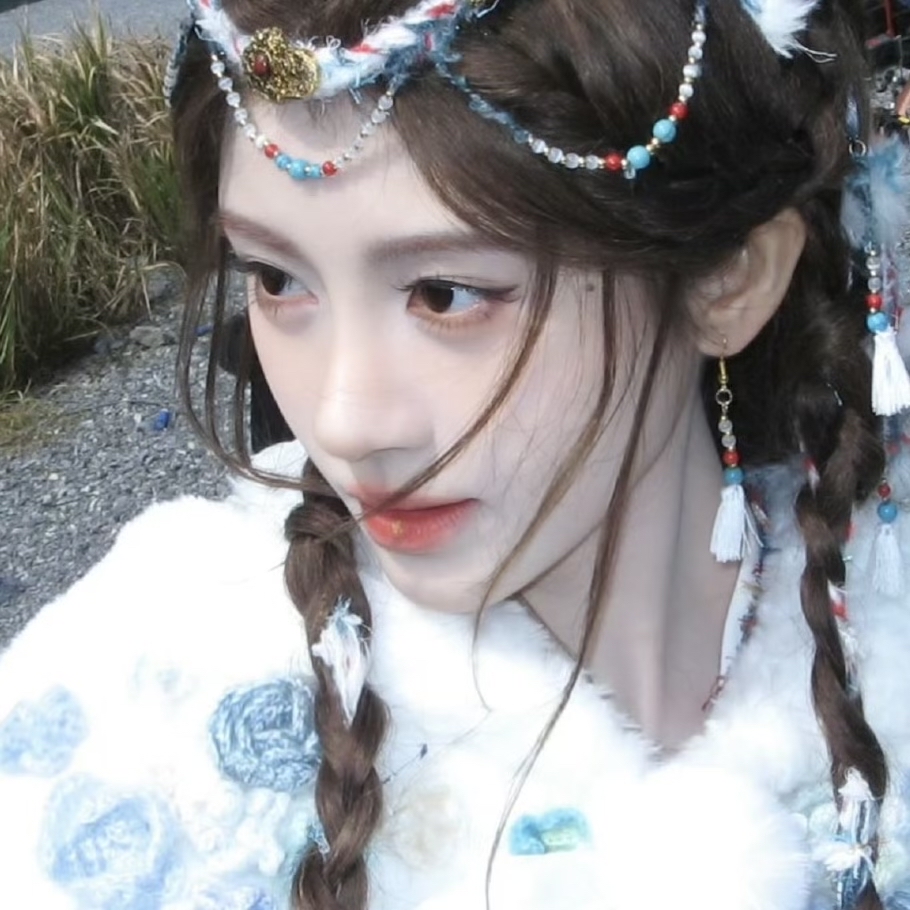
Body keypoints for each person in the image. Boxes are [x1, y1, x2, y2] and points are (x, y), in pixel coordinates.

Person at [2, 0, 910, 907]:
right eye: (276, 280)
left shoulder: (886, 613)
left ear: (726, 282)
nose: (344, 422)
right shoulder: (141, 713)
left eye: (445, 294)